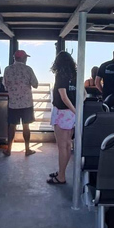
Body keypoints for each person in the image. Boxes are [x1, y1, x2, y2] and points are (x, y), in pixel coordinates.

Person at [48, 51, 77, 185]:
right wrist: (76, 111)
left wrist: (74, 110)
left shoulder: (60, 75)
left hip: (62, 112)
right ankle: (61, 172)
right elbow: (83, 93)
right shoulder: (76, 75)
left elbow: (63, 97)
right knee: (68, 145)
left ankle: (61, 177)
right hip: (71, 114)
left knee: (62, 146)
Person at [3, 49, 39, 157]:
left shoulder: (7, 69)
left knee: (11, 126)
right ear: (24, 58)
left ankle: (9, 149)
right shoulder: (28, 69)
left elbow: (5, 85)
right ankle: (27, 149)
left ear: (14, 58)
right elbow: (35, 84)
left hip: (13, 103)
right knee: (26, 126)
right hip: (26, 103)